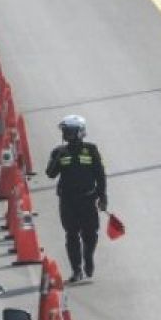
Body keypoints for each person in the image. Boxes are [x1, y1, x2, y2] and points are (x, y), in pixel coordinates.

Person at [45, 115, 107, 281]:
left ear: (80, 132)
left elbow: (100, 175)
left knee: (90, 234)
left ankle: (88, 257)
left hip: (87, 200)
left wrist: (103, 197)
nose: (67, 135)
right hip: (68, 201)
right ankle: (76, 270)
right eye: (65, 132)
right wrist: (57, 158)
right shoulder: (59, 151)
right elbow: (50, 174)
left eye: (70, 131)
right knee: (71, 234)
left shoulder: (91, 150)